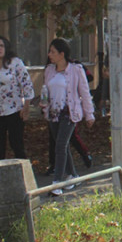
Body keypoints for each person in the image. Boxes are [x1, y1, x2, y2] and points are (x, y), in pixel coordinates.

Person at [43, 38, 95, 196]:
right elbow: (46, 90)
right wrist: (44, 105)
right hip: (53, 113)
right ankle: (73, 175)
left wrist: (89, 114)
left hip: (69, 113)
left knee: (60, 145)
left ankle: (57, 182)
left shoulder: (76, 69)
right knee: (62, 146)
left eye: (53, 51)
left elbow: (84, 92)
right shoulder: (49, 70)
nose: (49, 55)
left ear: (62, 54)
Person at [0, 35, 34, 160]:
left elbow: (26, 84)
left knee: (16, 144)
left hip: (14, 110)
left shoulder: (15, 63)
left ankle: (24, 175)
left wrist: (26, 107)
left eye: (1, 45)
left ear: (6, 48)